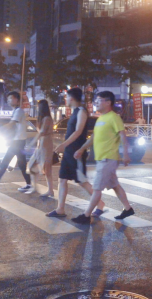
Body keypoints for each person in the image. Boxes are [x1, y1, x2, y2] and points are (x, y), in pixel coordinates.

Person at [71, 91, 135, 224]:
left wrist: (126, 155)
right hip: (102, 159)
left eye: (99, 100)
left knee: (97, 188)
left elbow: (122, 135)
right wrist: (82, 149)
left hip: (108, 158)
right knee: (115, 185)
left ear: (108, 102)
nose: (96, 103)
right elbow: (94, 137)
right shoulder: (100, 118)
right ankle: (128, 208)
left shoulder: (114, 117)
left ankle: (86, 215)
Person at [46, 88, 101, 217]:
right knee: (62, 179)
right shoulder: (75, 112)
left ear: (71, 98)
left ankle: (100, 204)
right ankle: (60, 209)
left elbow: (78, 131)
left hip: (76, 152)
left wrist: (63, 145)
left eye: (66, 97)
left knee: (82, 181)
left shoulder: (82, 112)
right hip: (69, 152)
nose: (65, 99)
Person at [0, 92, 31, 190]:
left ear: (17, 100)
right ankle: (29, 184)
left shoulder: (18, 111)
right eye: (8, 99)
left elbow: (11, 124)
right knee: (21, 164)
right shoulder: (16, 111)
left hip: (17, 142)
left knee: (6, 162)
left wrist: (0, 129)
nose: (8, 100)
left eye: (11, 98)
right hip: (18, 141)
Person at [26, 100, 55, 196]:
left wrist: (31, 144)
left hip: (46, 144)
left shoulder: (47, 118)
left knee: (47, 169)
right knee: (31, 165)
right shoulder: (43, 118)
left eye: (38, 106)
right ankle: (35, 187)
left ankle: (50, 190)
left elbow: (42, 132)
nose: (37, 108)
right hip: (41, 144)